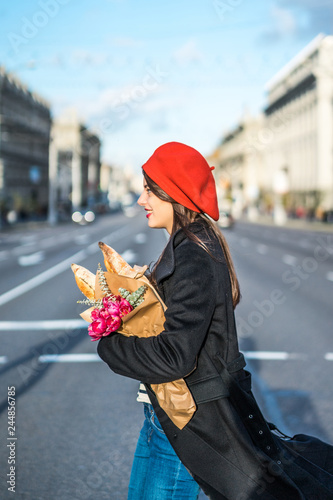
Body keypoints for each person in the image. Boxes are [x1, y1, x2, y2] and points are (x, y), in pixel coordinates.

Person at [97, 142, 333, 499]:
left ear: (171, 192)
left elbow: (176, 355)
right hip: (166, 418)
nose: (141, 200)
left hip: (186, 423)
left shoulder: (194, 253)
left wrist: (110, 344)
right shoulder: (189, 244)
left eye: (149, 190)